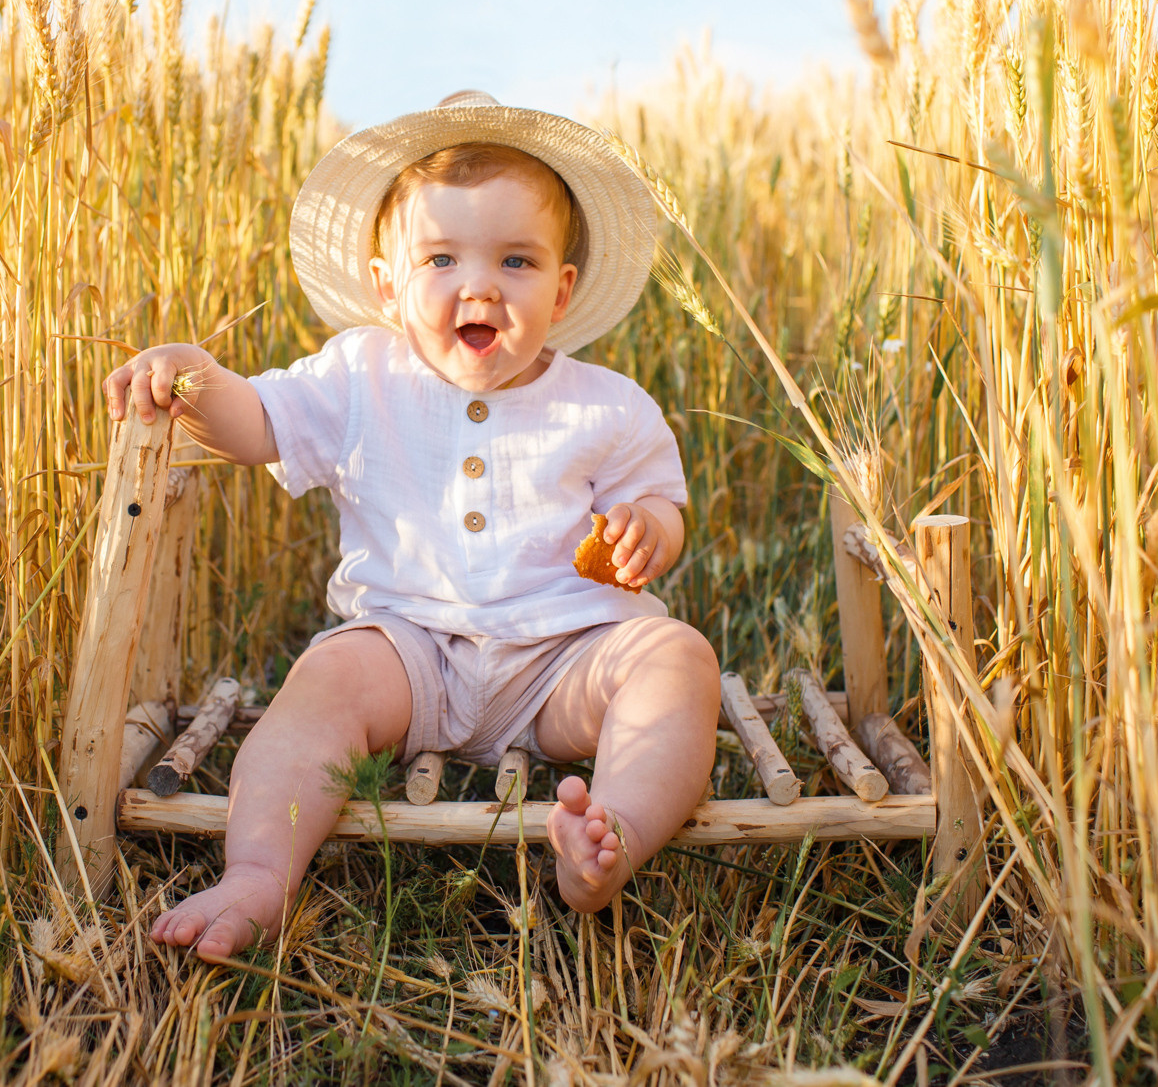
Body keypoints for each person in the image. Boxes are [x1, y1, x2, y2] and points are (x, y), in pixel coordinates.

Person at [104, 90, 721, 961]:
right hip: (405, 649)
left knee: (677, 659)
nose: (479, 284)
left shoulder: (604, 404)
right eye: (441, 258)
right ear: (388, 288)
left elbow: (663, 501)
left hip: (562, 658)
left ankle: (609, 833)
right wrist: (201, 381)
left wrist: (649, 528)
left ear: (563, 286)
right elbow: (261, 424)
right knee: (321, 685)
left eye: (516, 261)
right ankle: (258, 870)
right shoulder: (361, 375)